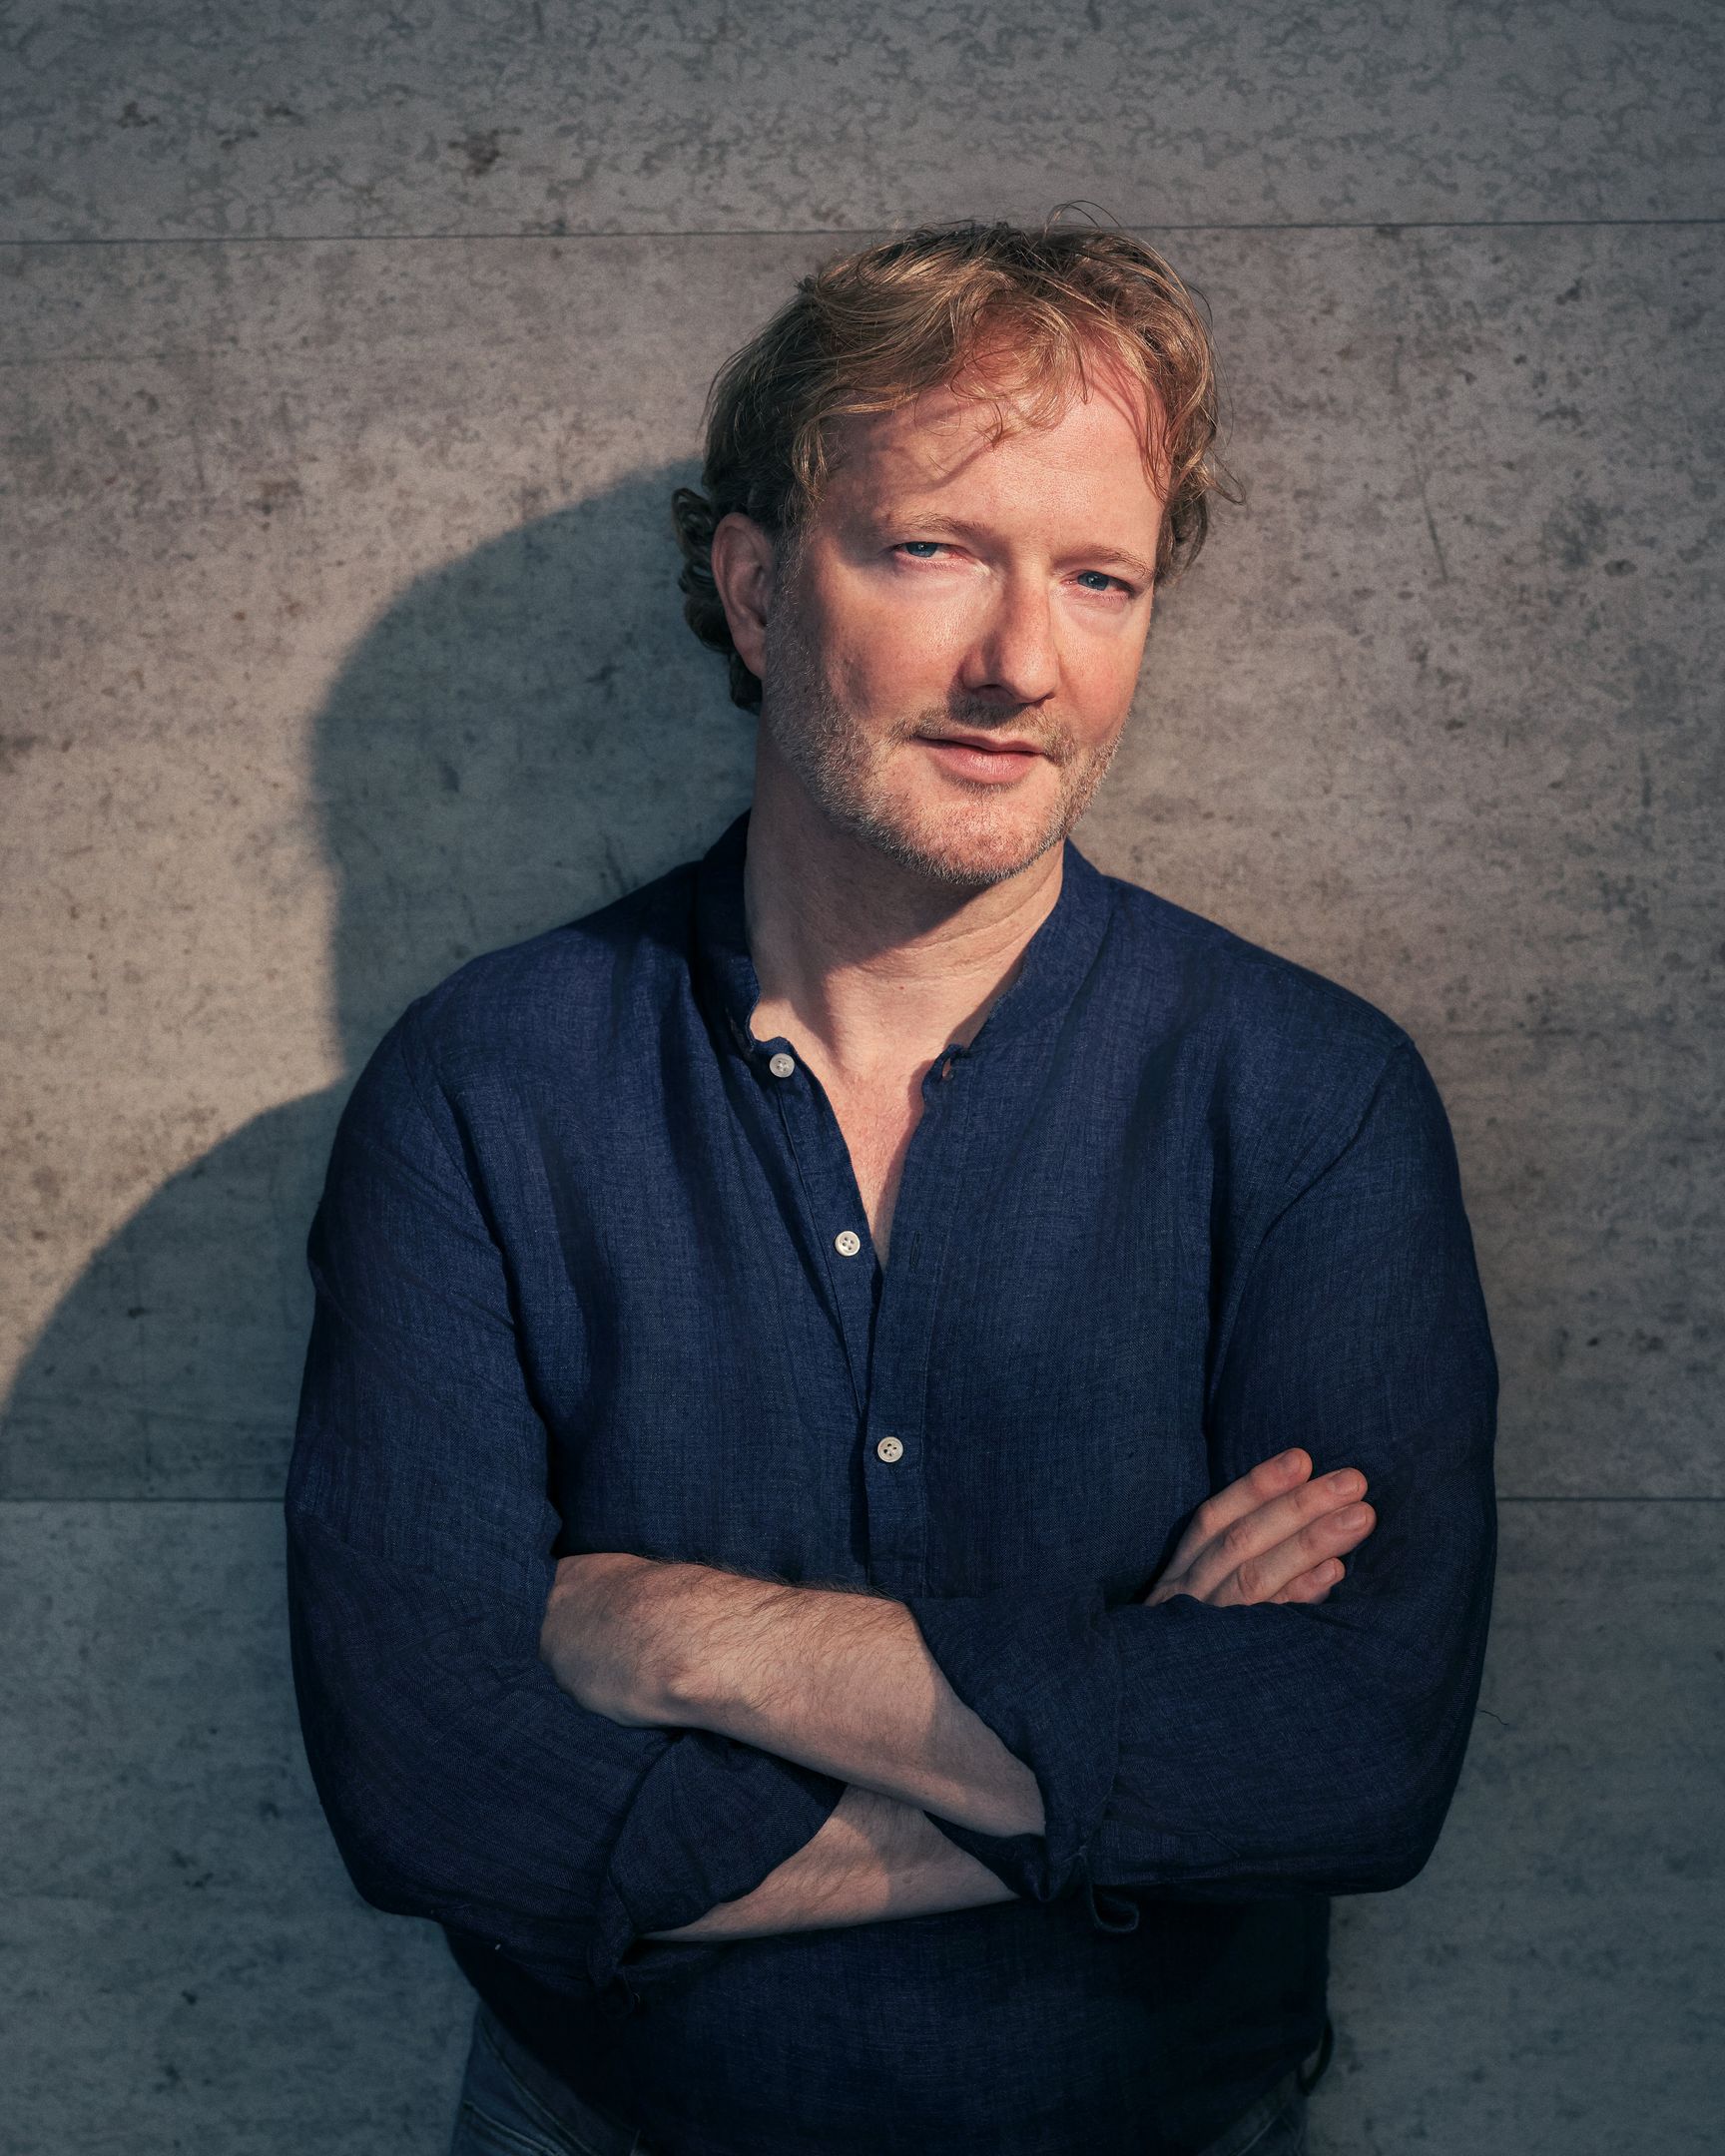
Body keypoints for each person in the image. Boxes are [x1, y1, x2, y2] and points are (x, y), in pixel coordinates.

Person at [284, 216, 1498, 2156]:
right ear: (758, 588)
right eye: (935, 550)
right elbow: (431, 1792)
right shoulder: (484, 1092)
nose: (1021, 664)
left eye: (1099, 578)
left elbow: (1357, 1755)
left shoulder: (1308, 1099)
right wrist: (1127, 1756)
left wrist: (695, 1643)